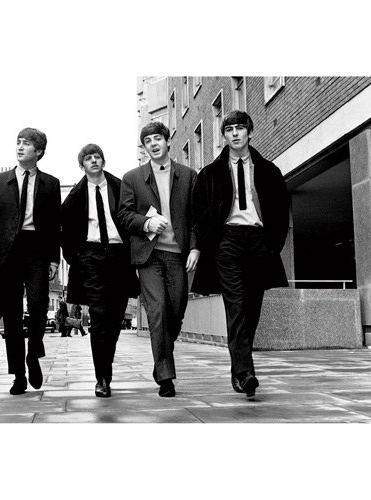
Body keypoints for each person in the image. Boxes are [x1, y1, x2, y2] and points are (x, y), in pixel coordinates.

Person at [191, 110, 289, 398]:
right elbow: (199, 213)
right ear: (224, 135)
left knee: (251, 309)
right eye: (229, 129)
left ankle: (238, 369)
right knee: (235, 306)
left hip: (259, 242)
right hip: (227, 243)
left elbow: (281, 211)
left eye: (239, 128)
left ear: (249, 132)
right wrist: (210, 244)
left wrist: (273, 245)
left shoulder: (269, 171)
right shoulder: (210, 173)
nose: (234, 133)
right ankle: (246, 372)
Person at [0, 127, 61, 395]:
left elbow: (54, 226)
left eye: (26, 143)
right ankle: (18, 374)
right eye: (18, 142)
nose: (20, 147)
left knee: (38, 304)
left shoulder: (51, 184)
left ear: (39, 151)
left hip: (36, 249)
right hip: (6, 253)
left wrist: (54, 259)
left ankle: (33, 353)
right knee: (11, 314)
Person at [119, 122, 199, 397]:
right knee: (158, 310)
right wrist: (146, 223)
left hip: (178, 254)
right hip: (149, 255)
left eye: (157, 139)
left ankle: (161, 359)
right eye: (148, 141)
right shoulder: (132, 178)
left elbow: (195, 217)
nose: (153, 144)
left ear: (167, 141)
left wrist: (195, 248)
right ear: (144, 147)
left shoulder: (188, 176)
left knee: (175, 312)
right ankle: (166, 377)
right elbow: (124, 215)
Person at [61, 144, 139, 398]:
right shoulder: (75, 196)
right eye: (88, 158)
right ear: (81, 165)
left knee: (114, 320)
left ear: (103, 161)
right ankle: (102, 378)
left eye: (97, 157)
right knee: (99, 318)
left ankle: (106, 366)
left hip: (119, 257)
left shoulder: (120, 187)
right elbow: (66, 233)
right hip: (91, 258)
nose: (93, 161)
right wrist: (78, 259)